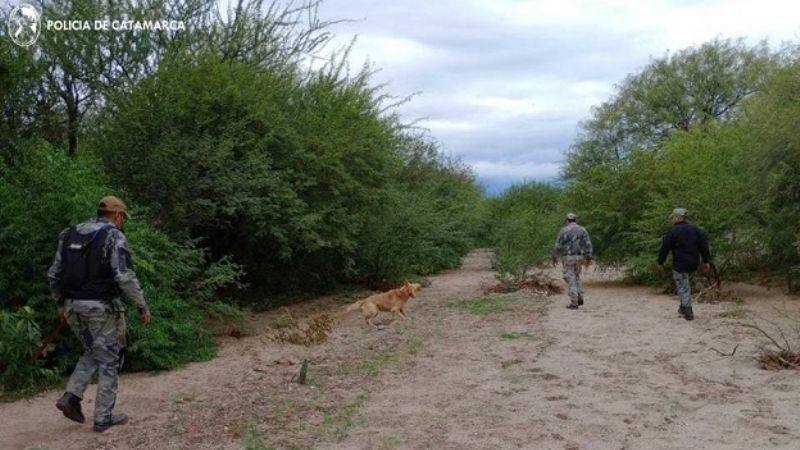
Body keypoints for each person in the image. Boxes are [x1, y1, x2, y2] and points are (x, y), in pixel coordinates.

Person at [47, 196, 151, 432]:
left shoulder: (69, 234)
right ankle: (104, 417)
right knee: (109, 359)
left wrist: (60, 304)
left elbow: (54, 273)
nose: (123, 222)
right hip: (101, 308)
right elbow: (124, 276)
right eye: (123, 218)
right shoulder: (114, 236)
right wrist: (141, 305)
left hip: (72, 306)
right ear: (118, 215)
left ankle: (72, 396)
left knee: (93, 350)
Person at [657, 208, 711, 321]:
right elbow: (703, 246)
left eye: (673, 217)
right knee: (685, 285)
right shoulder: (695, 229)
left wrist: (660, 262)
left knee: (683, 286)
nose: (672, 219)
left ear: (678, 217)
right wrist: (706, 261)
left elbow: (665, 248)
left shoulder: (672, 231)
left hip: (679, 264)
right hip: (693, 264)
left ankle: (688, 310)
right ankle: (682, 307)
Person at [553, 213, 593, 309]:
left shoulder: (563, 230)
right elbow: (588, 244)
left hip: (568, 257)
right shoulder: (582, 230)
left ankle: (574, 302)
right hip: (579, 257)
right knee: (577, 276)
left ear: (567, 220)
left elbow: (557, 245)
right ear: (576, 220)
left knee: (570, 277)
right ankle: (580, 296)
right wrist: (588, 255)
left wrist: (555, 256)